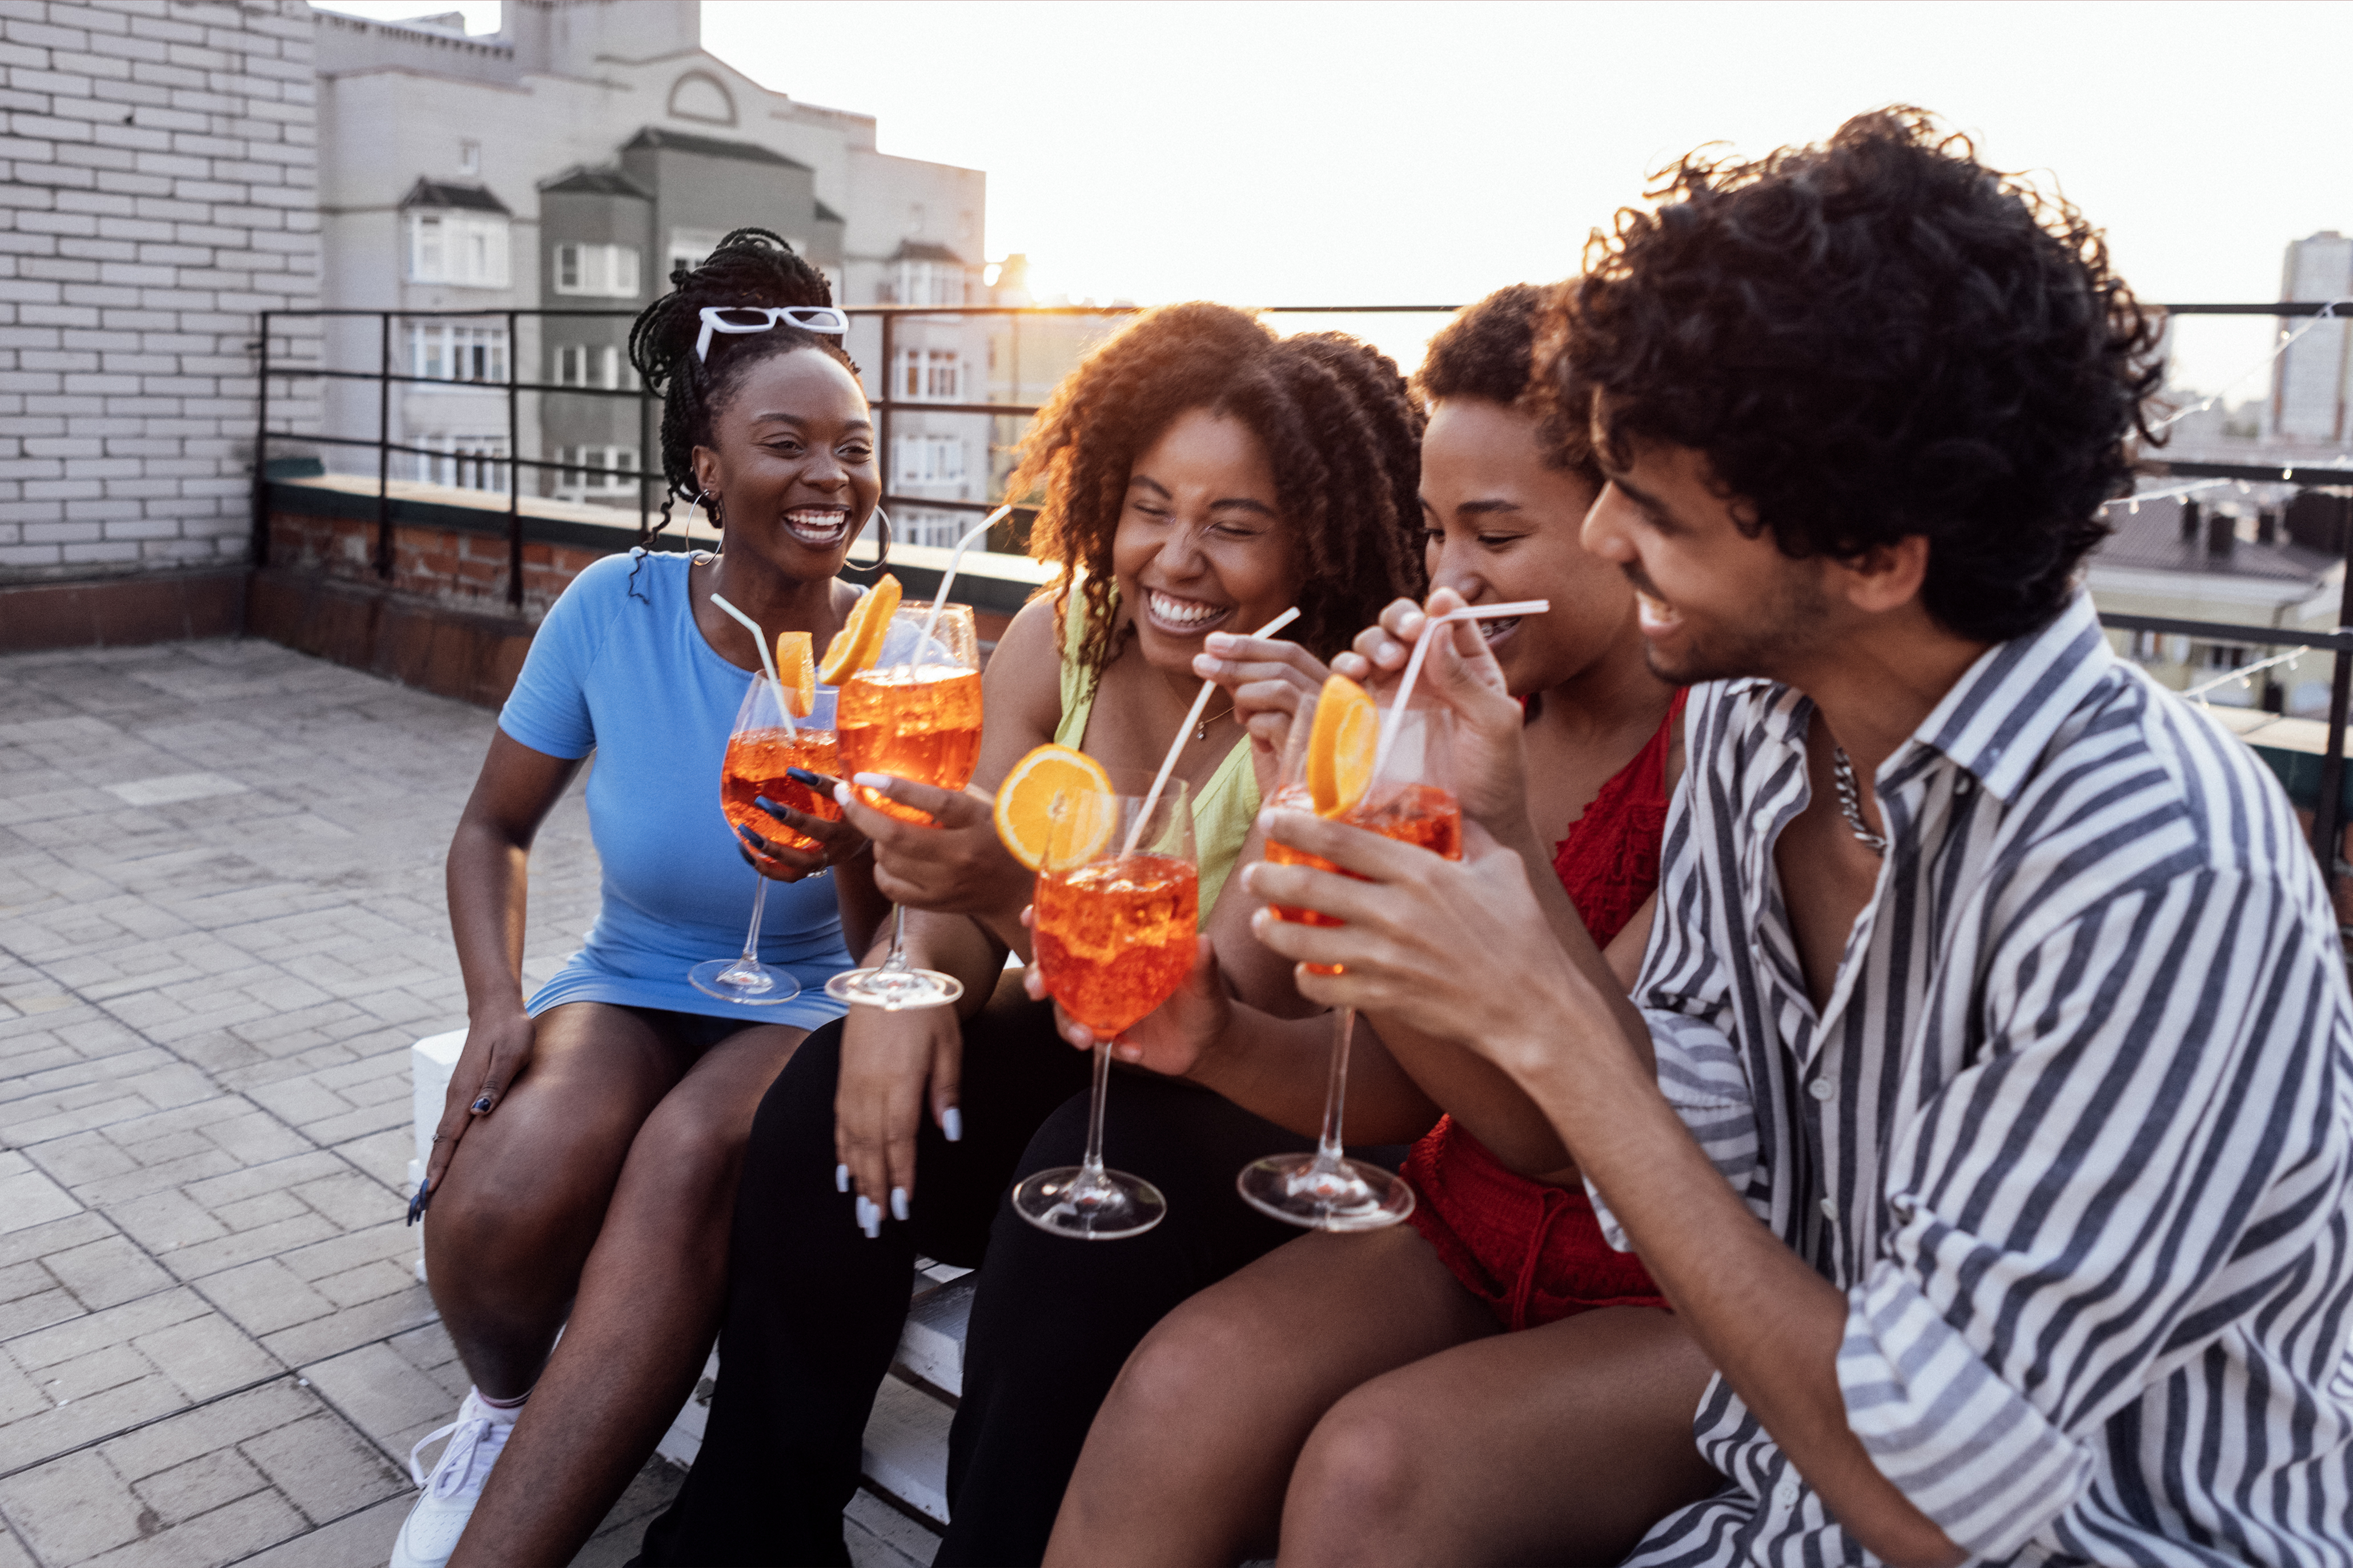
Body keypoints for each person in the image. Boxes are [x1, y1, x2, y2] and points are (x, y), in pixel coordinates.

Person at [1239, 108, 2353, 1568]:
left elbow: (1938, 1499)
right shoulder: (1764, 729)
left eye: (1651, 509)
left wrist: (1545, 1023)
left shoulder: (2157, 872)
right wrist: (1494, 831)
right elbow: (1678, 1140)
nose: (1601, 543)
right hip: (1785, 1509)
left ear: (1877, 558)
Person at [635, 303, 1432, 1567]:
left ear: (1319, 539)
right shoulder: (1064, 636)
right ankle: (747, 1541)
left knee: (1068, 1199)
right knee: (812, 1101)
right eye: (1148, 505)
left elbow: (1202, 999)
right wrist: (902, 996)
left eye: (1233, 524)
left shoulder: (1328, 714)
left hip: (1254, 1098)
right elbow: (950, 907)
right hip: (1094, 1050)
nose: (1174, 557)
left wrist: (1000, 890)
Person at [1044, 284, 1725, 1568]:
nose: (1449, 580)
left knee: (1370, 1475)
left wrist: (1465, 844)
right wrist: (1213, 1032)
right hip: (1462, 1215)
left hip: (1674, 1272)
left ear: (1624, 521)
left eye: (1496, 535)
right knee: (1172, 1390)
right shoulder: (1422, 718)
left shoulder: (1713, 753)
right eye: (1429, 534)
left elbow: (1552, 1128)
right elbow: (1402, 1092)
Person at [393, 229, 885, 1568]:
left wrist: (847, 839)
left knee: (683, 1155)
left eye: (852, 441)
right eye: (787, 442)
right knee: (501, 1201)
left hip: (811, 998)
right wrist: (497, 1000)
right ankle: (505, 1408)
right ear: (706, 468)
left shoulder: (909, 655)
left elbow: (901, 939)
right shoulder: (612, 607)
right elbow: (493, 825)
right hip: (634, 968)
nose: (829, 474)